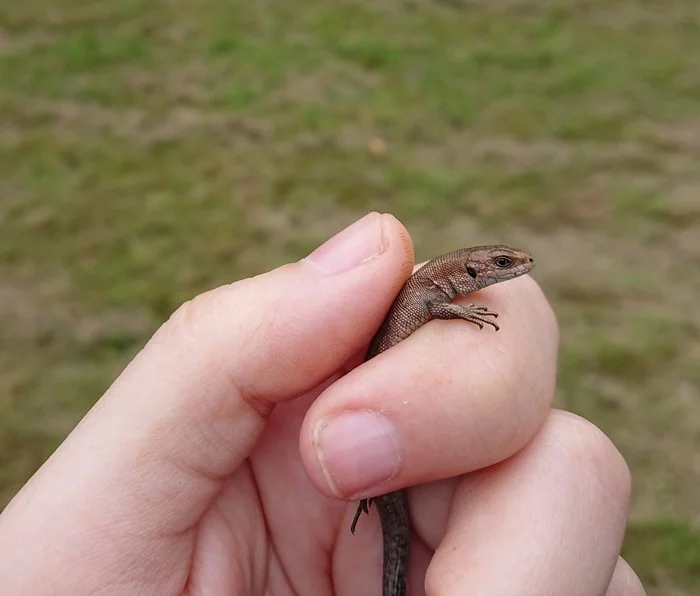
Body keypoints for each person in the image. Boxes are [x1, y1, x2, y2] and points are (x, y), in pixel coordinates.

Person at [0, 213, 644, 595]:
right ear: (470, 275)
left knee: (429, 522)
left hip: (364, 484)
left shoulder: (436, 293)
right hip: (333, 487)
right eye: (502, 265)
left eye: (507, 265)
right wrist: (459, 314)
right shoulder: (434, 292)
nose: (514, 269)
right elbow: (424, 307)